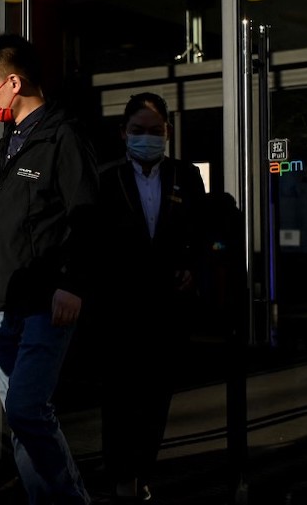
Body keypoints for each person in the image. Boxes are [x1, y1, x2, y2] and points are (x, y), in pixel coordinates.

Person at [0, 33, 98, 505]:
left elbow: (85, 216)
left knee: (27, 410)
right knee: (21, 420)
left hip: (45, 303)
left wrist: (72, 284)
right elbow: (19, 205)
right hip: (1, 302)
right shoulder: (15, 139)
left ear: (13, 83)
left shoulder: (64, 135)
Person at [95, 92, 206, 503]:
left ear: (168, 133)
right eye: (138, 131)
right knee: (119, 398)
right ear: (123, 133)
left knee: (157, 398)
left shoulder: (186, 176)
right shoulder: (107, 178)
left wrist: (191, 264)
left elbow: (198, 229)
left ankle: (142, 473)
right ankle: (121, 476)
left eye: (155, 132)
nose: (147, 138)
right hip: (120, 309)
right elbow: (95, 240)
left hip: (167, 308)